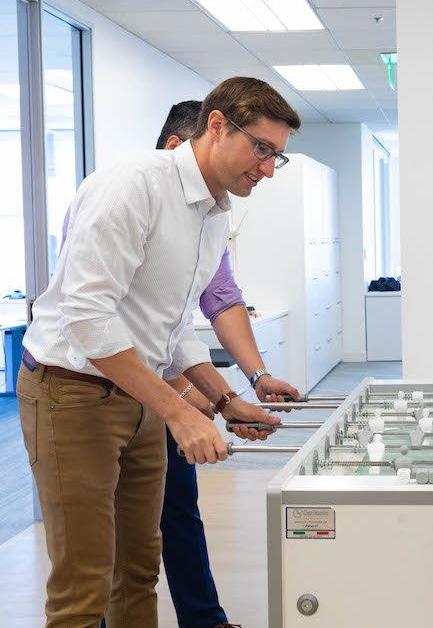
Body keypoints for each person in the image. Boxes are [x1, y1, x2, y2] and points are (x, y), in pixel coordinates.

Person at [16, 77, 300, 627]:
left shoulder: (215, 212)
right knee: (84, 583)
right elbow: (87, 317)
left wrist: (222, 399)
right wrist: (177, 409)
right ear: (217, 125)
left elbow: (169, 325)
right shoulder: (132, 185)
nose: (267, 169)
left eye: (276, 158)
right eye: (261, 149)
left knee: (139, 568)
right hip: (71, 393)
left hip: (137, 392)